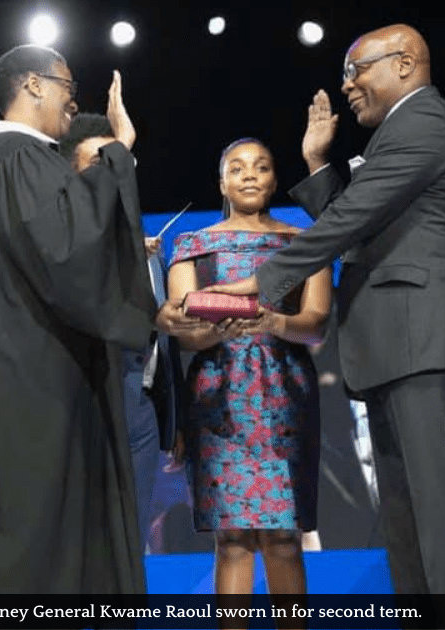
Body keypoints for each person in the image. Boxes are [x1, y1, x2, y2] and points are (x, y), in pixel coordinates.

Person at [208, 24, 445, 597]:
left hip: (428, 339)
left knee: (443, 525)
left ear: (404, 63)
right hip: (395, 346)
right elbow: (358, 224)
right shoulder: (399, 131)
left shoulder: (425, 122)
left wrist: (264, 282)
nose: (347, 86)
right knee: (405, 527)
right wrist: (318, 164)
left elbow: (349, 222)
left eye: (356, 70)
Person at [0, 44, 154, 594]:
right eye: (67, 86)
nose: (74, 101)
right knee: (48, 549)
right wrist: (118, 152)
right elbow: (68, 250)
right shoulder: (18, 158)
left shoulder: (16, 161)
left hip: (42, 375)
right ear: (34, 85)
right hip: (41, 385)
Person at [167, 137, 331, 625]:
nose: (250, 175)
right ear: (222, 182)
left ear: (275, 179)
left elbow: (317, 321)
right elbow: (183, 331)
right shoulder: (193, 245)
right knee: (233, 536)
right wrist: (210, 328)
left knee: (284, 536)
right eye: (237, 168)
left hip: (286, 394)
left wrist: (273, 323)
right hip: (218, 399)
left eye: (261, 167)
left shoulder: (304, 243)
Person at [58, 112, 186, 549]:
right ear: (69, 173)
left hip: (142, 409)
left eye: (118, 161)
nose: (111, 171)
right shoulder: (62, 239)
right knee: (82, 541)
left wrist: (173, 420)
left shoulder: (147, 250)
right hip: (85, 402)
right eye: (99, 161)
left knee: (131, 542)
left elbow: (163, 345)